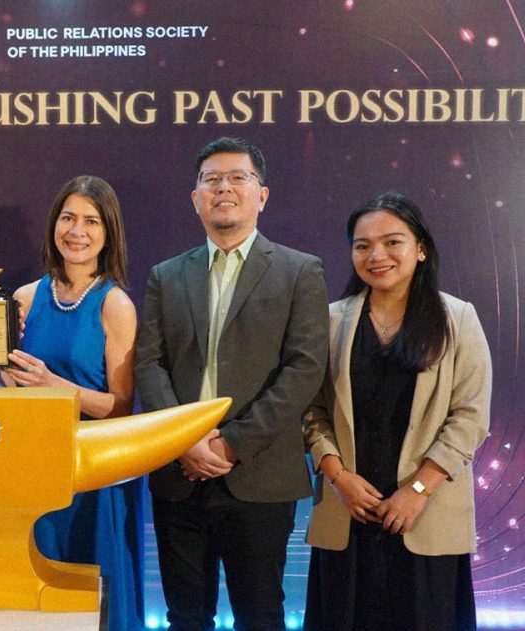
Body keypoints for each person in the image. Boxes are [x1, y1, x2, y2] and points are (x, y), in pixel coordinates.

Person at [134, 137, 329, 630]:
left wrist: (232, 444)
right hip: (179, 475)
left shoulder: (299, 271)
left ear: (261, 195)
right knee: (185, 617)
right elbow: (149, 364)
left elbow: (304, 369)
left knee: (260, 615)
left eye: (238, 177)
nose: (224, 188)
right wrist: (183, 441)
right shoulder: (166, 276)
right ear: (195, 197)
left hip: (259, 475)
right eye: (212, 179)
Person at [302, 192, 491, 630]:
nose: (377, 256)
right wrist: (339, 479)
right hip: (348, 512)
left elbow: (470, 417)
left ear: (420, 248)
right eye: (362, 245)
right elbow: (310, 411)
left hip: (425, 515)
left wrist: (417, 491)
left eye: (392, 242)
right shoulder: (329, 321)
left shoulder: (458, 318)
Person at [1, 175, 142, 630]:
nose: (76, 231)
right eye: (68, 218)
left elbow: (120, 407)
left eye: (91, 221)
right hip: (32, 471)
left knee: (91, 593)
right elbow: (12, 390)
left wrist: (54, 384)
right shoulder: (24, 298)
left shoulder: (115, 304)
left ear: (108, 232)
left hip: (92, 473)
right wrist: (5, 378)